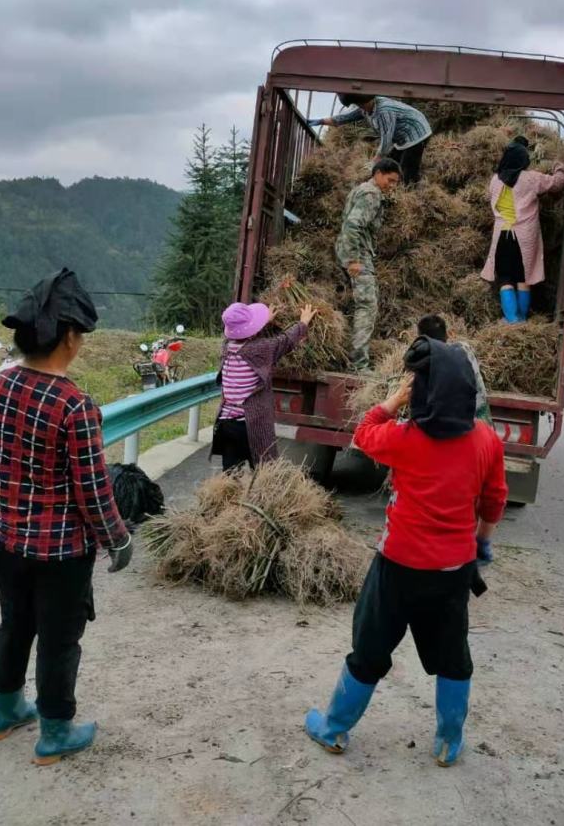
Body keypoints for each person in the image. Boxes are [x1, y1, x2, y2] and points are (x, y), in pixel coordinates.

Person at [305, 336, 507, 767]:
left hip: (396, 567)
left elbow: (362, 433)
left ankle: (334, 728)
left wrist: (391, 400)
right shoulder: (487, 439)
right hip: (454, 569)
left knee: (370, 650)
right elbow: (494, 502)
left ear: (421, 392)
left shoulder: (403, 437)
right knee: (453, 655)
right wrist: (482, 543)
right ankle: (449, 741)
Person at [0, 268, 132, 766]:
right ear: (70, 336)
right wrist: (117, 539)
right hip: (60, 554)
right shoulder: (75, 405)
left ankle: (6, 711)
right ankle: (55, 731)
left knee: (14, 625)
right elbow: (93, 491)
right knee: (59, 641)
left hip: (2, 540)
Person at [211, 300, 318, 471]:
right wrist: (303, 322)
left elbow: (244, 337)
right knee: (263, 472)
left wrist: (262, 322)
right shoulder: (260, 349)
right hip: (249, 426)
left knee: (230, 475)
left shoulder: (226, 347)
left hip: (225, 424)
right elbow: (285, 341)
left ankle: (230, 497)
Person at [480, 135, 564, 323]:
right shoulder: (531, 178)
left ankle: (513, 320)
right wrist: (559, 167)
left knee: (504, 278)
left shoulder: (495, 180)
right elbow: (558, 183)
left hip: (501, 236)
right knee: (523, 278)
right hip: (524, 238)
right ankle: (521, 320)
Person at [336, 158, 402, 372]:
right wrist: (354, 259)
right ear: (378, 173)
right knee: (367, 306)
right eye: (389, 181)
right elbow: (353, 224)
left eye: (395, 184)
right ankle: (358, 364)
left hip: (348, 250)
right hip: (358, 255)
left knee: (356, 304)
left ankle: (348, 357)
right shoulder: (372, 195)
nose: (391, 187)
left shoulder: (362, 189)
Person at [314, 94, 432, 185]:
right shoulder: (366, 107)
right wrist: (322, 121)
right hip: (402, 137)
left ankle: (410, 192)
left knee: (408, 168)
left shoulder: (383, 111)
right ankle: (394, 184)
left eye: (360, 104)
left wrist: (374, 161)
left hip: (417, 133)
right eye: (358, 105)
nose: (360, 107)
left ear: (366, 101)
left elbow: (386, 140)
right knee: (391, 163)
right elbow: (345, 117)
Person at [416, 314, 492, 427]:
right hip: (484, 428)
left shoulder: (432, 365)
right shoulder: (465, 350)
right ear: (446, 335)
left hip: (462, 436)